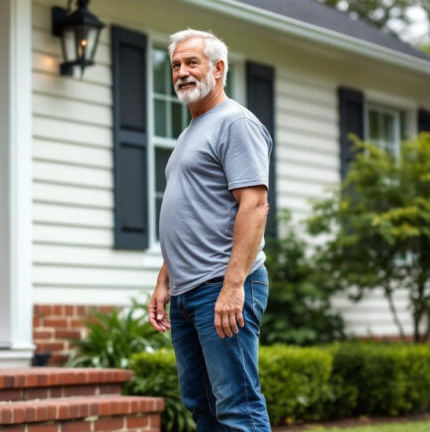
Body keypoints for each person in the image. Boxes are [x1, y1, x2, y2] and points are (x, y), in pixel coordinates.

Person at [147, 29, 273, 432]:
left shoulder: (234, 123)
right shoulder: (190, 133)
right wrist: (165, 279)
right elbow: (191, 211)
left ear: (218, 69)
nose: (182, 72)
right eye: (176, 65)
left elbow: (254, 205)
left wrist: (233, 286)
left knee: (237, 406)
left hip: (222, 285)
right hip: (187, 290)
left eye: (192, 63)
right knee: (202, 406)